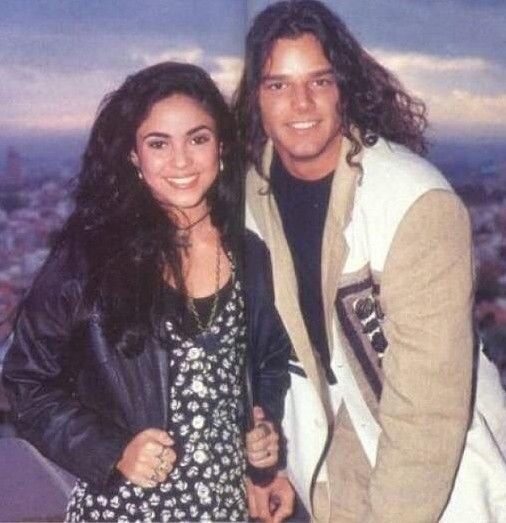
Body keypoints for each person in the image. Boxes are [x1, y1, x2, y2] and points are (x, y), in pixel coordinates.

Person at [235, 1, 506, 521]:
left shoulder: (415, 205)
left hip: (432, 474)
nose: (301, 103)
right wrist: (275, 468)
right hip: (325, 467)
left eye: (319, 81)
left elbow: (427, 413)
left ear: (345, 87)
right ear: (256, 98)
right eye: (278, 84)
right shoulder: (249, 199)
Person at [2, 62, 292, 522]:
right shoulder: (92, 256)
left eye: (197, 139)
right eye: (159, 143)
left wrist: (262, 425)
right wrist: (112, 449)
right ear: (134, 157)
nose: (181, 161)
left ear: (221, 146)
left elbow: (270, 360)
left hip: (224, 509)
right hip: (123, 510)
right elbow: (24, 381)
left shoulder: (250, 256)